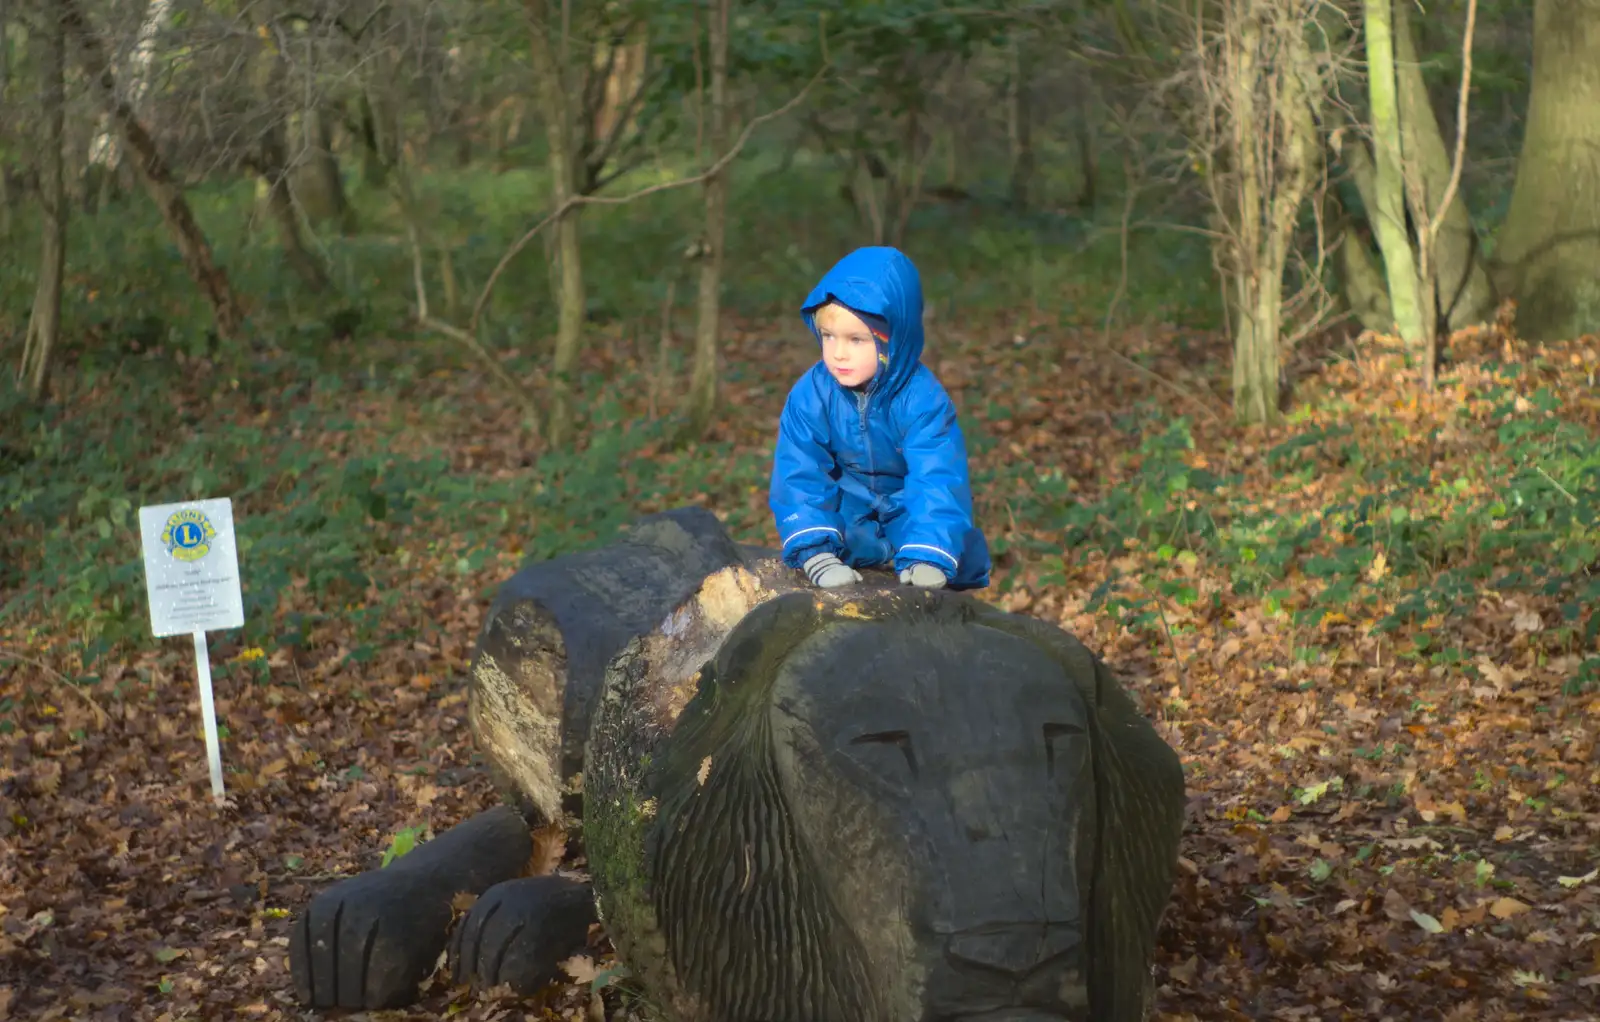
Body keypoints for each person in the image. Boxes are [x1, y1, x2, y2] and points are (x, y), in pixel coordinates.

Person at [769, 246, 992, 591]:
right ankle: (828, 550)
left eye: (857, 340)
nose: (839, 352)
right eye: (828, 336)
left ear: (892, 343)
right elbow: (800, 471)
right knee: (828, 532)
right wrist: (815, 548)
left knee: (953, 553)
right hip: (849, 501)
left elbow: (937, 476)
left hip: (906, 502)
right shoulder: (811, 394)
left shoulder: (922, 399)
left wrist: (929, 551)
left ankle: (921, 553)